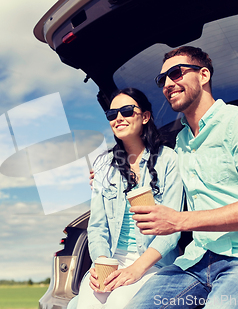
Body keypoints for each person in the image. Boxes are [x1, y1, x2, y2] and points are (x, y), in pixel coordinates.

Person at [124, 46, 238, 308]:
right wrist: (112, 169)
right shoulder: (180, 142)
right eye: (162, 80)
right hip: (194, 260)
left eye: (176, 73)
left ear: (203, 75)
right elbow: (153, 171)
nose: (168, 84)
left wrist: (179, 221)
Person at [71, 87, 184, 309]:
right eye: (112, 115)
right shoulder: (103, 165)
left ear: (145, 116)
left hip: (153, 264)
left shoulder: (169, 160)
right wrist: (101, 264)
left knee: (119, 303)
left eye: (126, 111)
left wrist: (136, 269)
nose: (118, 118)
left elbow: (172, 230)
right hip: (111, 261)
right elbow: (97, 227)